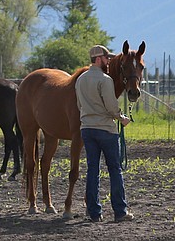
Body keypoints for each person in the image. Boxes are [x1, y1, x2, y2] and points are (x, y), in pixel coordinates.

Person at [74, 44, 134, 223]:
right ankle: (120, 211)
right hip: (106, 130)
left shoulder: (80, 80)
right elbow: (111, 107)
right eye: (107, 58)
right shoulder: (105, 80)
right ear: (99, 59)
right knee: (115, 169)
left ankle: (94, 213)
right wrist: (122, 118)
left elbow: (79, 106)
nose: (109, 61)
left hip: (87, 129)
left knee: (93, 169)